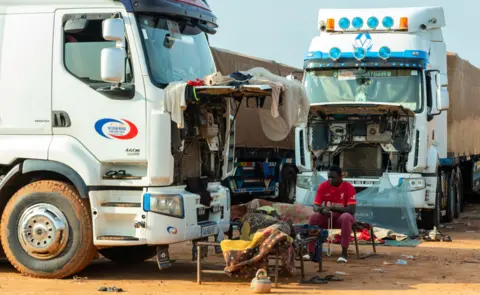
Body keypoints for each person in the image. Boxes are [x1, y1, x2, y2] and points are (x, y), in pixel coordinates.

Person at [305, 165, 356, 263]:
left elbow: (352, 209)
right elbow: (315, 206)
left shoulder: (348, 187)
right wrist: (321, 210)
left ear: (340, 177)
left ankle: (344, 253)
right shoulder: (323, 186)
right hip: (327, 217)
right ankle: (310, 252)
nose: (330, 180)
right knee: (314, 217)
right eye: (329, 177)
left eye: (333, 177)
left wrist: (333, 208)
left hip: (341, 219)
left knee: (346, 217)